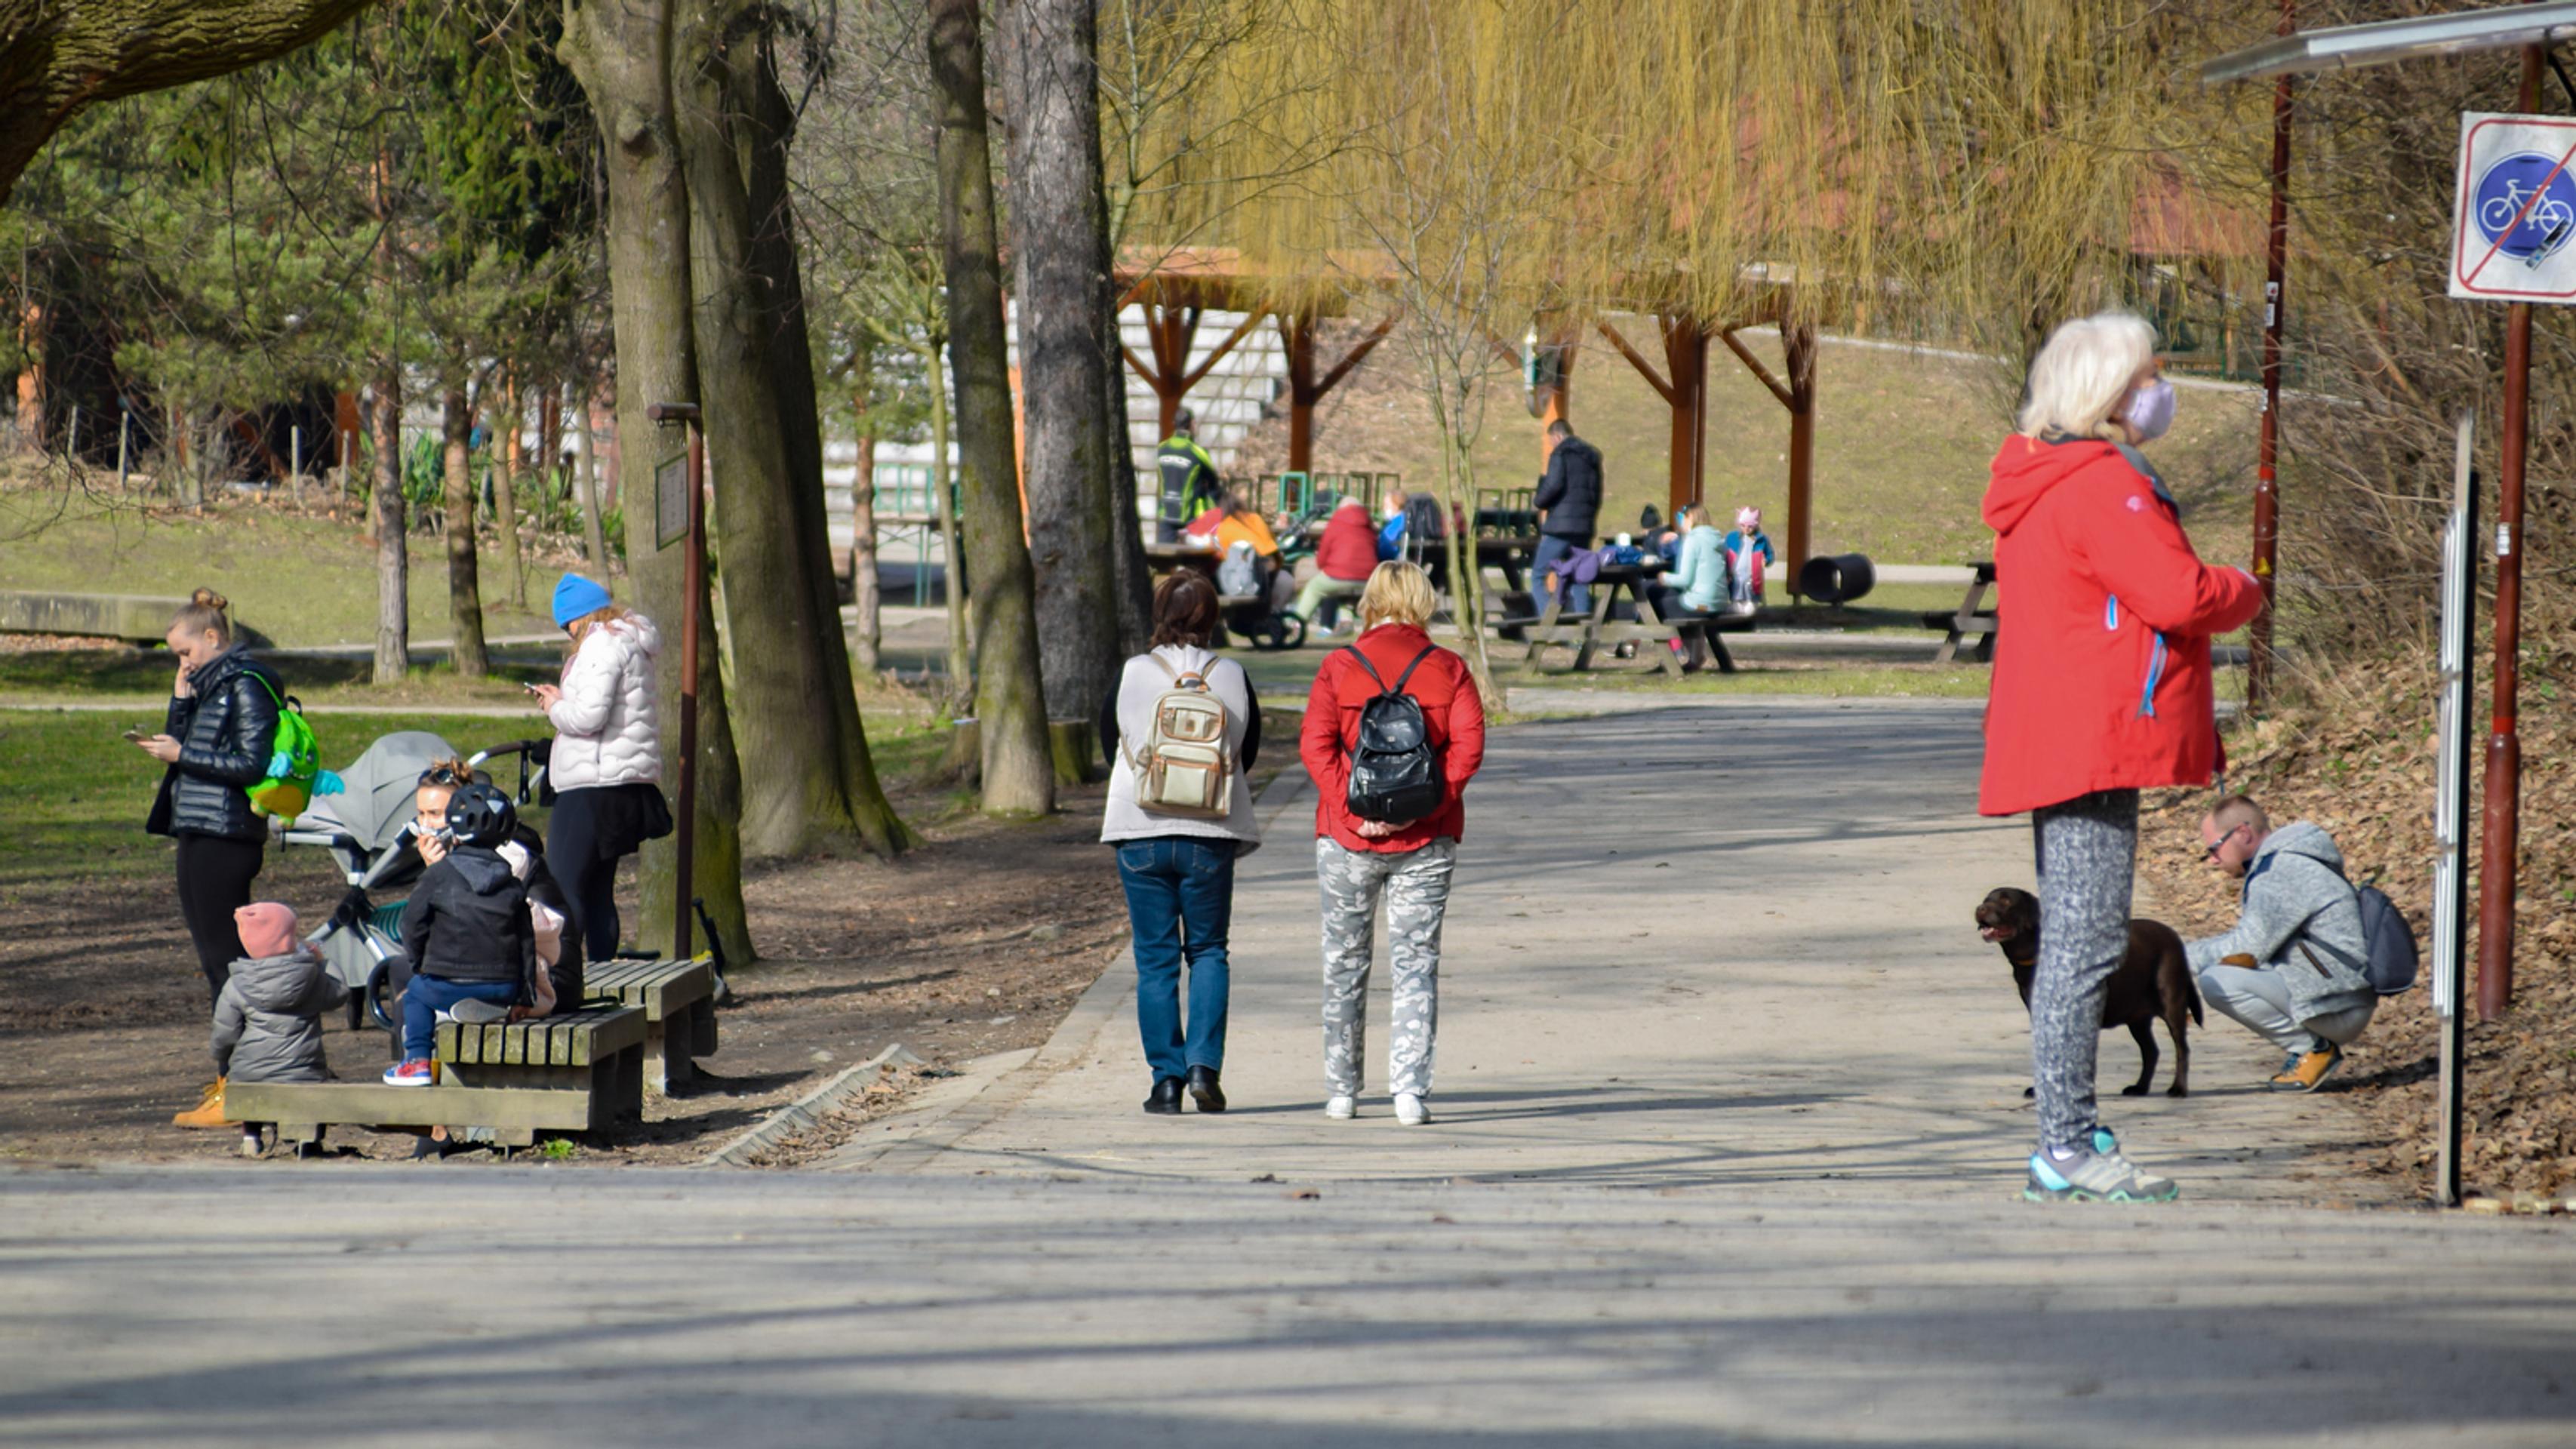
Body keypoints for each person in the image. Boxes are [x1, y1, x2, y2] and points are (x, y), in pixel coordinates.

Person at [1979, 309, 2264, 1204]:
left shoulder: (2041, 476)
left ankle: (2067, 1131)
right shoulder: (2102, 482)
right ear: (2107, 394)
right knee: (2085, 944)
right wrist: (2245, 587)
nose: (2157, 391)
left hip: (2063, 729)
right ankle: (2063, 1145)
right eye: (2147, 375)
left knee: (2076, 939)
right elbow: (2176, 593)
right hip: (2092, 735)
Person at [1299, 561, 1488, 1127]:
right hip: (1427, 841)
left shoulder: (1338, 666)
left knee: (1343, 961)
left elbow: (1316, 746)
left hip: (1344, 839)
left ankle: (1341, 1091)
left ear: (1371, 601)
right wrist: (1421, 808)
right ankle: (1409, 1089)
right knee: (1415, 961)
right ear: (1423, 601)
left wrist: (1353, 812)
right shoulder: (1448, 668)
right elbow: (1468, 749)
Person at [1098, 572, 1264, 1115]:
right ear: (1211, 617)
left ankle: (1164, 1082)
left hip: (1140, 829)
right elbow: (1247, 750)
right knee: (1210, 951)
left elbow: (1111, 743)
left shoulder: (1134, 672)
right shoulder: (1233, 675)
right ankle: (1203, 1068)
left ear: (1159, 612)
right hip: (1209, 832)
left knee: (1155, 961)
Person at [136, 588, 282, 1011]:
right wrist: (180, 702)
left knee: (227, 960)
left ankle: (245, 1064)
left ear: (213, 639)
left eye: (186, 651)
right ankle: (231, 1066)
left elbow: (252, 764)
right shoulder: (211, 687)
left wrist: (182, 754)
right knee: (212, 959)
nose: (184, 662)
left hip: (228, 834)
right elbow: (185, 750)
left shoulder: (247, 686)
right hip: (198, 828)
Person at [2187, 795, 2377, 1093]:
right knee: (2226, 971)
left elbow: (2247, 948)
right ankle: (2312, 1048)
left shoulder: (2282, 870)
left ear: (2242, 834)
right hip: (2341, 992)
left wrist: (2175, 957)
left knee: (2217, 982)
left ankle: (2314, 1050)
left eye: (2214, 848)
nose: (2213, 859)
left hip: (2337, 1004)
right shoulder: (2291, 858)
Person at [533, 575, 667, 962]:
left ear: (582, 617)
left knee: (563, 886)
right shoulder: (628, 641)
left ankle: (566, 976)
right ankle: (602, 972)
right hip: (621, 784)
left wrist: (553, 707)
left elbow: (588, 717)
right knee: (597, 892)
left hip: (592, 785)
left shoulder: (601, 644)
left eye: (567, 625)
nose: (568, 633)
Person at [383, 782, 537, 1086]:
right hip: (502, 987)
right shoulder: (511, 882)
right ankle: (485, 1010)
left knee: (415, 995)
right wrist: (525, 995)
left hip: (448, 983)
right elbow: (526, 942)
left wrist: (418, 964)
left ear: (454, 831)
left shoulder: (438, 875)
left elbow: (413, 925)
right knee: (453, 990)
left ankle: (416, 1061)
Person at [172, 903, 349, 1155]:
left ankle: (251, 1138)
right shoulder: (312, 978)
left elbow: (225, 1032)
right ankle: (307, 1141)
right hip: (303, 1071)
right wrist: (323, 962)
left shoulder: (238, 984)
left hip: (251, 1073)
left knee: (246, 1083)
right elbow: (340, 993)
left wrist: (221, 1056)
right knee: (312, 1087)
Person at [1531, 419, 1602, 616]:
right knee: (1580, 578)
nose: (1551, 445)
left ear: (1558, 436)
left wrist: (1538, 501)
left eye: (1551, 440)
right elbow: (1596, 494)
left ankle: (1548, 626)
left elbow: (1553, 485)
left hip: (1560, 528)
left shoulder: (1560, 454)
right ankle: (1581, 632)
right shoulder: (1592, 457)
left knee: (1538, 575)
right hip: (1584, 527)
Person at [1648, 503, 1727, 669]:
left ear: (1691, 518)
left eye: (1681, 518)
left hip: (1699, 603)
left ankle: (1670, 659)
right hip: (1718, 602)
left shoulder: (1692, 540)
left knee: (1651, 604)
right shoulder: (1716, 538)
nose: (1679, 522)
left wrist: (1664, 577)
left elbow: (1684, 580)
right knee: (1668, 598)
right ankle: (1695, 658)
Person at [1293, 494, 1378, 633]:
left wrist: (1323, 568)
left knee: (1314, 588)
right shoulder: (1369, 525)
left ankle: (1297, 625)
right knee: (1344, 592)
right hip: (1368, 578)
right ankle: (1346, 621)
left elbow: (1323, 555)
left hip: (1338, 574)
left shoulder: (1335, 523)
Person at [1156, 409, 1223, 543]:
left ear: (1174, 424)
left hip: (1166, 514)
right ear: (1192, 424)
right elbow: (1213, 486)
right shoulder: (1198, 452)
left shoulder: (1161, 449)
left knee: (1163, 561)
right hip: (1193, 517)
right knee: (1194, 561)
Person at [1721, 507, 1776, 611]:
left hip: (1752, 577)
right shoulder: (1732, 537)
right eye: (1743, 526)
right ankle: (1736, 604)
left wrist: (1766, 560)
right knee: (1736, 596)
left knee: (1750, 603)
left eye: (1750, 527)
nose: (1746, 529)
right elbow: (1724, 552)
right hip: (1735, 576)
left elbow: (1770, 555)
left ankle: (1751, 603)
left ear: (1756, 525)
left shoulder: (1762, 540)